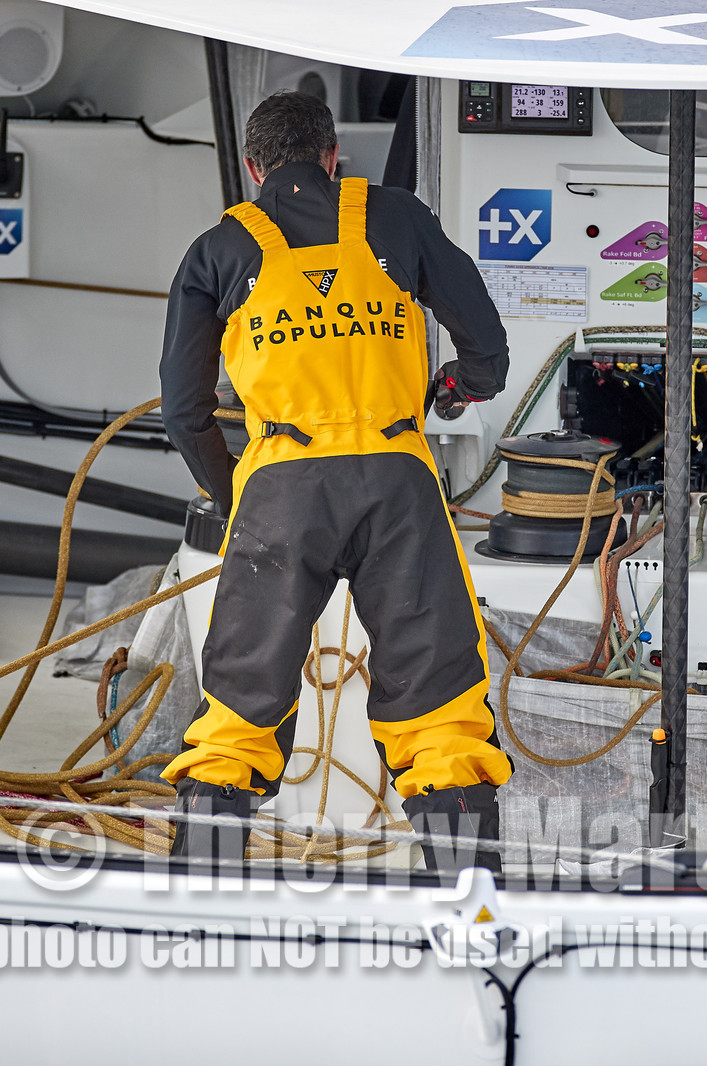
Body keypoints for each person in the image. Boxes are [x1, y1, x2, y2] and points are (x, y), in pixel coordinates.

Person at [158, 90, 513, 871]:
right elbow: (486, 341)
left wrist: (237, 496)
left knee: (239, 708)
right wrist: (464, 382)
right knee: (440, 709)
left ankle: (198, 901)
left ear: (254, 169)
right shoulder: (395, 218)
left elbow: (184, 413)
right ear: (332, 157)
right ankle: (473, 911)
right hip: (399, 483)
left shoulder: (218, 251)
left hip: (281, 491)